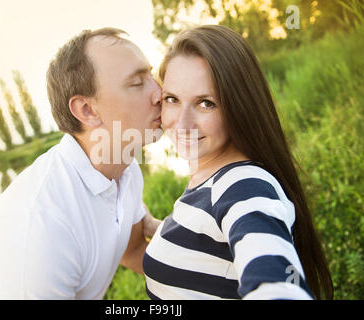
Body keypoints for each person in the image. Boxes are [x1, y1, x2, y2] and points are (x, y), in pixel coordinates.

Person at [0, 27, 162, 300]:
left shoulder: (125, 168)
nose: (160, 93)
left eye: (151, 75)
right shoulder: (41, 224)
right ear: (87, 110)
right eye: (137, 83)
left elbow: (133, 251)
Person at [142, 25, 334, 300]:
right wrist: (154, 227)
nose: (181, 123)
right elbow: (210, 259)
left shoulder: (244, 186)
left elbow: (277, 287)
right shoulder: (211, 176)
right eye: (172, 99)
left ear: (239, 105)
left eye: (206, 103)